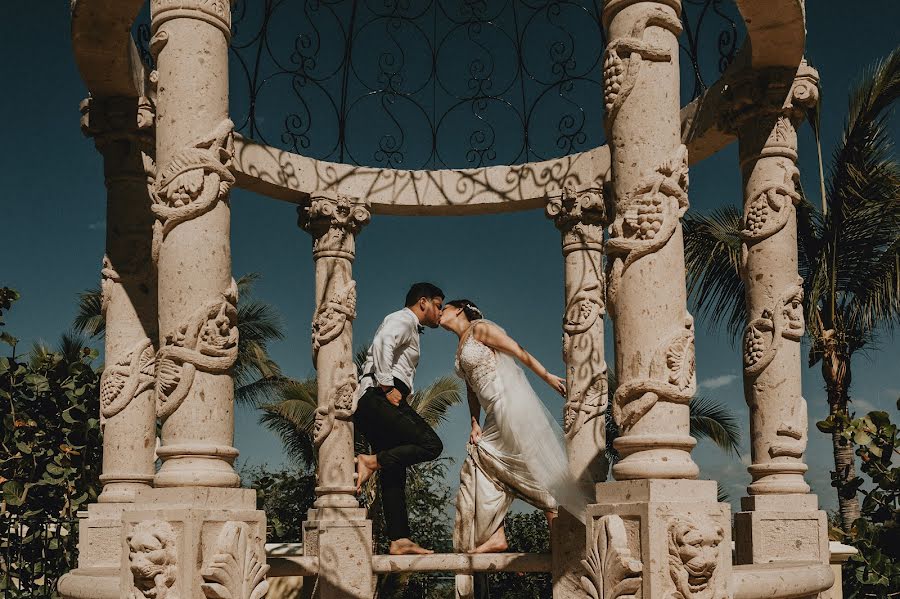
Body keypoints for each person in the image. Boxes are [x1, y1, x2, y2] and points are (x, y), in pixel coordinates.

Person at [440, 299, 588, 564]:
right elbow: (471, 389)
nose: (439, 313)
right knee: (486, 464)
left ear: (459, 309)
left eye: (444, 308)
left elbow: (518, 351)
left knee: (503, 462)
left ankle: (549, 524)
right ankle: (499, 534)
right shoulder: (459, 345)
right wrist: (474, 422)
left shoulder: (479, 329)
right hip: (493, 411)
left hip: (508, 402)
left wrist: (548, 377)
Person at [354, 282, 445, 555]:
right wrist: (386, 386)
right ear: (423, 302)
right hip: (379, 397)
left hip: (373, 402)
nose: (440, 313)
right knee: (431, 445)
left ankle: (399, 538)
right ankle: (369, 461)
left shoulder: (409, 325)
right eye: (438, 306)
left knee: (394, 470)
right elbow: (383, 342)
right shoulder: (403, 319)